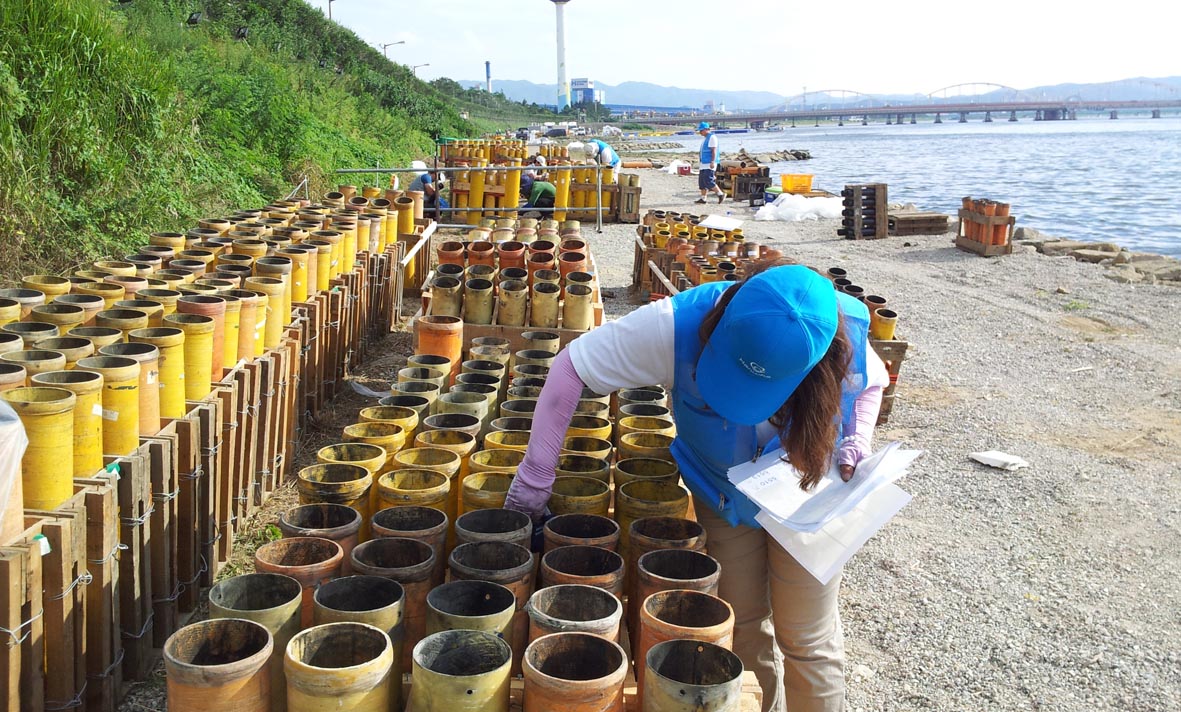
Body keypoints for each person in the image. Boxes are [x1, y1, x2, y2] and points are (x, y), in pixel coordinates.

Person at [505, 261, 890, 712]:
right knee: (740, 622)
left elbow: (870, 383)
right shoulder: (675, 325)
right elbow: (571, 367)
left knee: (806, 638)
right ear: (722, 323)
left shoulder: (839, 331)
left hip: (809, 494)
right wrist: (535, 477)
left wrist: (857, 438)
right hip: (721, 490)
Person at [697, 121, 725, 204]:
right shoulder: (705, 138)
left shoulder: (712, 137)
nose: (700, 132)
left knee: (709, 180)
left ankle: (720, 194)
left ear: (706, 129)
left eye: (701, 130)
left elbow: (714, 150)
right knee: (702, 182)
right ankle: (703, 198)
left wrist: (712, 161)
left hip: (709, 163)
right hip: (703, 163)